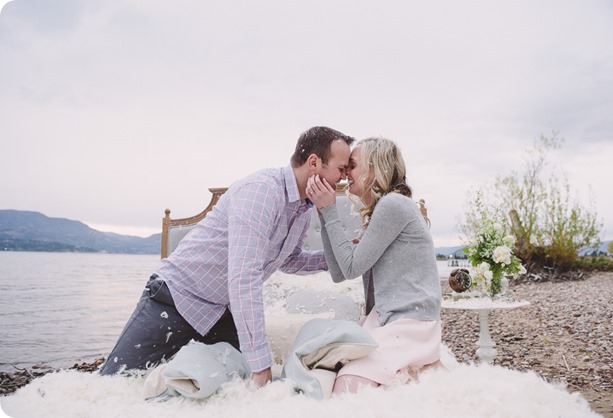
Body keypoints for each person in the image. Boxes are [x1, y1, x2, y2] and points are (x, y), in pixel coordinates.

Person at [100, 126, 355, 389]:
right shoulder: (262, 192)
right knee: (111, 384)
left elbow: (290, 260)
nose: (344, 178)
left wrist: (340, 255)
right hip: (175, 301)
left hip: (222, 313)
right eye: (341, 168)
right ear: (314, 162)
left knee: (234, 390)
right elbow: (244, 278)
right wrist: (261, 366)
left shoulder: (303, 208)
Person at [305, 137, 441, 394]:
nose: (346, 174)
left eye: (352, 165)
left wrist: (331, 211)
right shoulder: (382, 210)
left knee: (347, 387)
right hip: (385, 319)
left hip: (409, 323)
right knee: (320, 355)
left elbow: (351, 267)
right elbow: (338, 273)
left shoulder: (394, 205)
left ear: (374, 168)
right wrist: (324, 215)